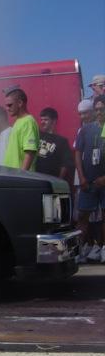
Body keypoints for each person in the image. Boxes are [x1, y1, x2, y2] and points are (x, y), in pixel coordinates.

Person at [75, 95, 105, 263]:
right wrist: (81, 176)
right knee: (82, 216)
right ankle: (79, 249)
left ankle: (102, 248)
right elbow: (78, 153)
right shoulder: (85, 130)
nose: (99, 112)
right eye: (97, 109)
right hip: (88, 181)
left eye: (102, 109)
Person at [3, 88, 39, 171]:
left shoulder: (28, 121)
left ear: (20, 103)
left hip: (19, 177)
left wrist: (21, 175)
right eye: (6, 105)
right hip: (12, 175)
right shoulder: (19, 121)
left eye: (9, 105)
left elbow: (30, 152)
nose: (7, 108)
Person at [35, 107, 73, 180]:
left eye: (46, 120)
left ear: (54, 121)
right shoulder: (37, 135)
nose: (42, 122)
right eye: (41, 119)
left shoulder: (62, 141)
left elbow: (65, 164)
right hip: (36, 178)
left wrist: (59, 180)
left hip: (51, 180)